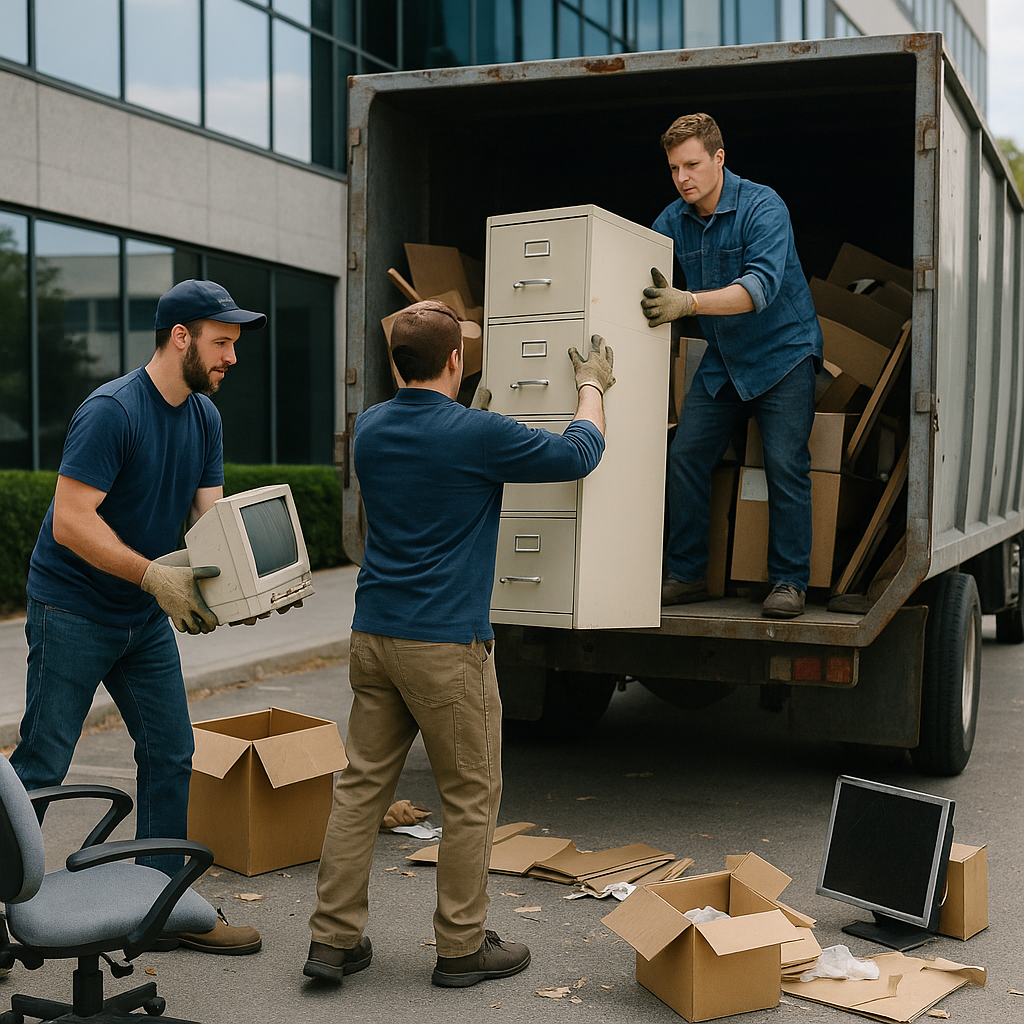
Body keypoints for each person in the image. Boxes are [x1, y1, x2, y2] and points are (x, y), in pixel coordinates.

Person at [304, 300, 612, 988]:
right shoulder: (478, 433)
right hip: (445, 646)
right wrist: (591, 386)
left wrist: (469, 414)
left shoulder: (371, 428)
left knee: (359, 792)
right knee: (471, 795)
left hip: (373, 637)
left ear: (392, 364)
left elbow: (428, 450)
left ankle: (332, 941)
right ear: (457, 361)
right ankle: (461, 946)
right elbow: (577, 453)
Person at [9, 279, 266, 955]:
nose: (231, 358)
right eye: (221, 343)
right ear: (180, 336)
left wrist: (236, 590)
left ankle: (159, 906)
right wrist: (155, 575)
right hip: (72, 608)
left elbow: (207, 518)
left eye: (234, 345)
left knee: (171, 750)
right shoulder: (113, 411)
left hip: (142, 615)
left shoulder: (204, 417)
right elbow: (70, 522)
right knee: (41, 763)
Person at [641, 112, 823, 619]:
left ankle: (789, 582)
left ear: (720, 159)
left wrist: (689, 303)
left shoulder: (764, 207)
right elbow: (632, 267)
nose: (683, 179)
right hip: (726, 360)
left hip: (785, 352)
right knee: (685, 455)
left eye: (693, 165)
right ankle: (687, 575)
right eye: (675, 168)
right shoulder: (672, 220)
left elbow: (760, 290)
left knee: (786, 464)